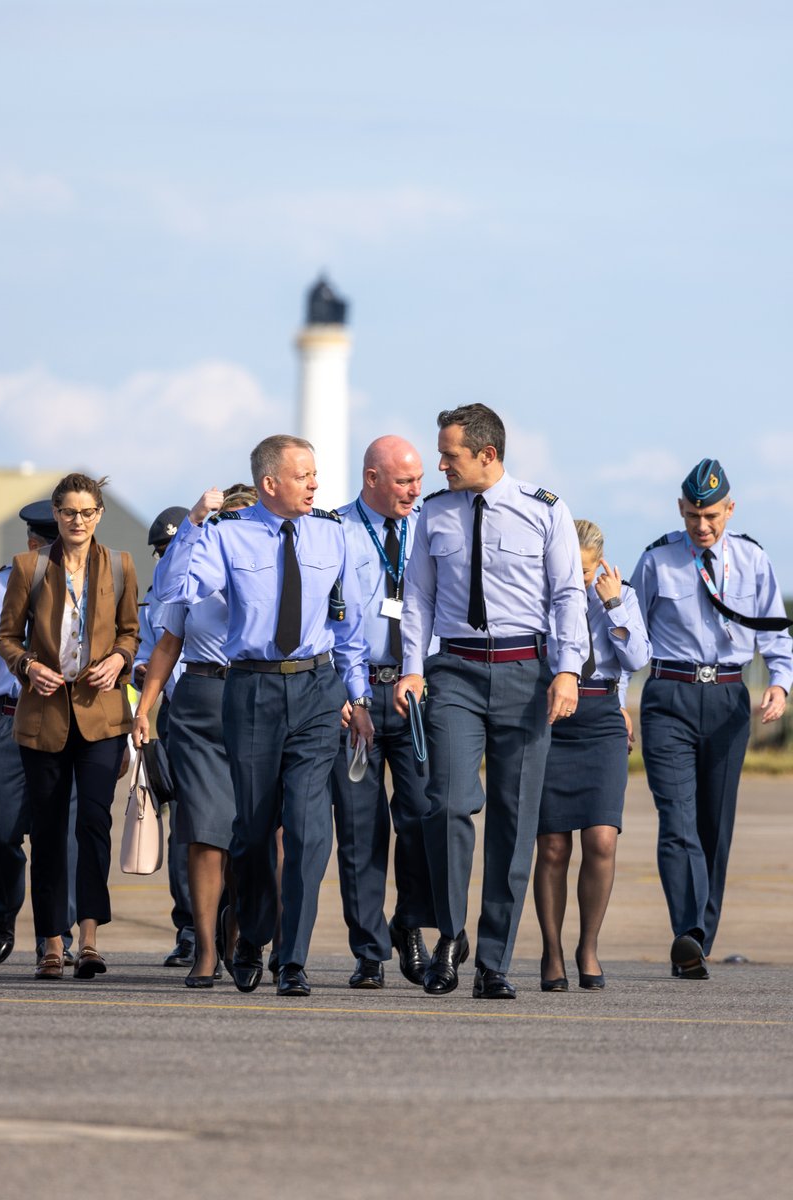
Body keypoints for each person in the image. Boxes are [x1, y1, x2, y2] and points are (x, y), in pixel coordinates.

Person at [153, 435, 372, 997]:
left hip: (317, 690)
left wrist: (359, 696)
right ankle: (251, 935)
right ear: (270, 483)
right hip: (250, 689)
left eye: (316, 474)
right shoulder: (225, 535)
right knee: (250, 832)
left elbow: (347, 627)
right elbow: (176, 589)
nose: (316, 484)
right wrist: (195, 527)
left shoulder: (333, 532)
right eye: (304, 476)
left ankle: (292, 960)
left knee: (306, 830)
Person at [393, 404, 588, 999]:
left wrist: (569, 670)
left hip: (526, 676)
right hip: (452, 672)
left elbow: (567, 595)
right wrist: (412, 669)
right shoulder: (435, 515)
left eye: (450, 455)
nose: (440, 465)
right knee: (446, 803)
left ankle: (494, 962)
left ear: (487, 454)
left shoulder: (544, 511)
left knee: (514, 819)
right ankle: (452, 937)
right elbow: (418, 597)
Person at [631, 458, 792, 979]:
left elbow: (773, 633)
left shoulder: (751, 560)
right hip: (669, 698)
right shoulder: (657, 561)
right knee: (677, 822)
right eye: (694, 515)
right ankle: (689, 933)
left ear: (730, 509)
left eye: (712, 516)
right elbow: (628, 634)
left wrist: (780, 683)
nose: (703, 526)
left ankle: (700, 936)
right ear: (681, 509)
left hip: (727, 700)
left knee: (713, 827)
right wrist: (614, 698)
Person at [0, 473, 139, 981]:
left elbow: (131, 632)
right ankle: (52, 944)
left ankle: (91, 940)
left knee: (93, 827)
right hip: (43, 716)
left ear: (99, 514)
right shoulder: (28, 567)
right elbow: (7, 636)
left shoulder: (119, 566)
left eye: (87, 512)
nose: (78, 521)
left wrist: (120, 659)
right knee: (50, 830)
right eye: (69, 512)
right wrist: (27, 666)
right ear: (56, 515)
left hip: (101, 717)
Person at [132, 485, 258, 988]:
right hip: (202, 703)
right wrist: (144, 709)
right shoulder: (195, 571)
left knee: (263, 836)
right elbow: (168, 641)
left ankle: (240, 929)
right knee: (204, 834)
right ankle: (204, 947)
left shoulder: (278, 567)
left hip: (262, 698)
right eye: (233, 520)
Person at [330, 436, 436, 990]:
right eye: (403, 481)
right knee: (359, 831)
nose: (414, 490)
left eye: (418, 479)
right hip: (357, 697)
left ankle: (410, 925)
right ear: (372, 478)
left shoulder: (430, 525)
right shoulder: (333, 530)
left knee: (421, 821)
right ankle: (369, 950)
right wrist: (344, 696)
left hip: (416, 694)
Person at [534, 520, 651, 992]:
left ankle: (588, 946)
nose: (577, 578)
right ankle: (552, 951)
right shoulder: (539, 594)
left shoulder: (620, 595)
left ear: (599, 563)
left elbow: (638, 658)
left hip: (601, 714)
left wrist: (613, 603)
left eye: (585, 570)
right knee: (554, 845)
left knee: (602, 838)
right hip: (552, 715)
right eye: (570, 568)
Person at [0, 502, 77, 966]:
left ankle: (55, 934)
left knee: (59, 831)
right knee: (1, 829)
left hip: (66, 717)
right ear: (32, 544)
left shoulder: (86, 587)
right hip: (7, 718)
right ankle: (1, 914)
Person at [134, 505, 195, 969]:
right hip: (175, 714)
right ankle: (190, 928)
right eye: (163, 551)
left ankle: (243, 925)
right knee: (183, 826)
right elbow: (142, 654)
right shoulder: (153, 600)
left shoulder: (215, 580)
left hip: (230, 705)